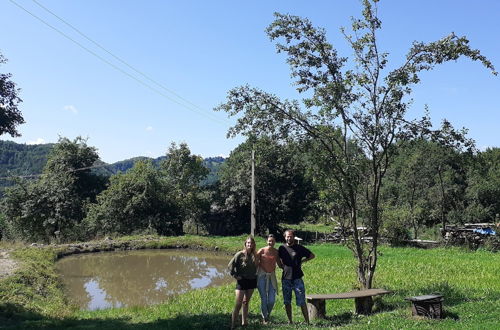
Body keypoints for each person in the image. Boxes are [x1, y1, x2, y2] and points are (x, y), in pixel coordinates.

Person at [278, 229, 315, 324]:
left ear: (293, 237)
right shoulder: (281, 248)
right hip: (286, 278)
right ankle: (290, 321)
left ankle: (307, 322)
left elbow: (312, 256)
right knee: (287, 301)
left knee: (302, 301)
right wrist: (282, 266)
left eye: (290, 236)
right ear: (284, 237)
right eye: (287, 236)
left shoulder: (299, 248)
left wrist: (302, 261)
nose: (289, 238)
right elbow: (279, 259)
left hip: (297, 278)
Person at [228, 236, 259, 329]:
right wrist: (235, 275)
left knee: (246, 302)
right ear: (245, 244)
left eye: (251, 243)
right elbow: (230, 266)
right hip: (241, 282)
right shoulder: (239, 254)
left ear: (254, 245)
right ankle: (233, 325)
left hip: (252, 281)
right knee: (238, 304)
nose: (250, 244)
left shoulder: (255, 255)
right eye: (248, 243)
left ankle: (244, 322)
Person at [256, 234, 282, 324]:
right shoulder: (261, 251)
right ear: (267, 241)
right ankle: (265, 318)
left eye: (273, 241)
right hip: (261, 276)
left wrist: (290, 267)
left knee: (271, 300)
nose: (271, 242)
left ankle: (267, 314)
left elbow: (280, 264)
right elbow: (254, 262)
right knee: (263, 298)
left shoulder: (276, 252)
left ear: (275, 242)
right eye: (269, 241)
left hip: (272, 276)